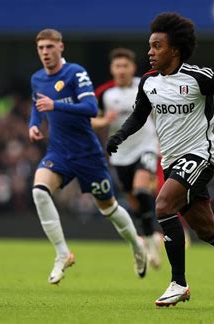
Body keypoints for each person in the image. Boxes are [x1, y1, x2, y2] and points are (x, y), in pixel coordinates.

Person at [107, 13, 214, 306]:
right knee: (208, 232)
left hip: (200, 156)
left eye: (157, 46)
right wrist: (118, 136)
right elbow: (139, 116)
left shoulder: (198, 77)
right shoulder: (149, 82)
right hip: (171, 162)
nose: (150, 52)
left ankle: (178, 283)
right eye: (149, 47)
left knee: (163, 204)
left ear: (174, 49)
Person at [29, 29, 146, 285]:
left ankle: (136, 244)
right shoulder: (37, 79)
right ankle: (62, 254)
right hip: (59, 152)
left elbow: (91, 108)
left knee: (109, 209)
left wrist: (55, 105)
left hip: (87, 155)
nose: (46, 53)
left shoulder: (75, 73)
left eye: (50, 47)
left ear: (61, 47)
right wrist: (34, 124)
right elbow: (37, 105)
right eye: (41, 48)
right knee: (39, 191)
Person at [92, 48, 162, 269]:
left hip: (147, 147)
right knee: (134, 201)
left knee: (142, 190)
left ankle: (152, 240)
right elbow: (91, 119)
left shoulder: (146, 85)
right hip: (120, 155)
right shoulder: (104, 94)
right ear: (112, 69)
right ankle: (145, 236)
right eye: (117, 66)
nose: (121, 70)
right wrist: (104, 122)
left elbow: (161, 112)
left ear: (132, 68)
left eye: (125, 66)